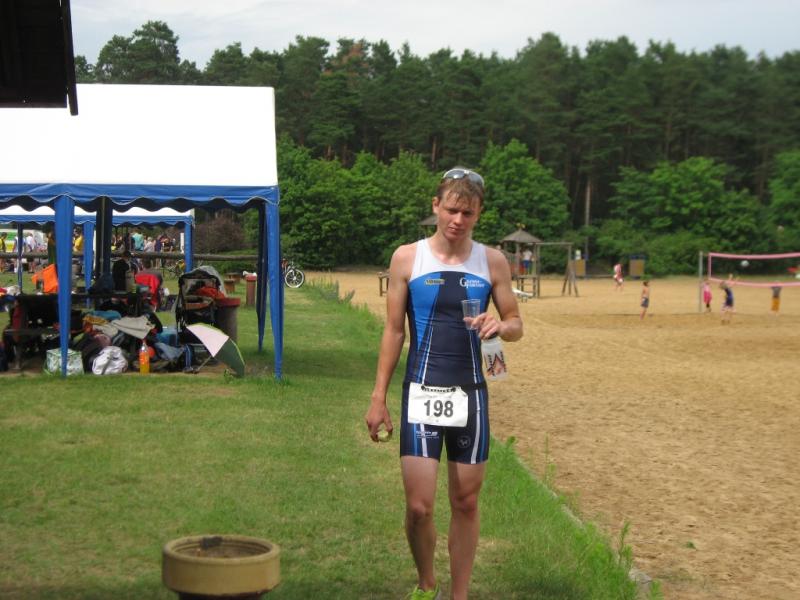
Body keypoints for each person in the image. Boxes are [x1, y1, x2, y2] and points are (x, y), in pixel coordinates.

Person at [365, 167, 523, 600]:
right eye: (452, 209)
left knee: (466, 502)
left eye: (467, 213)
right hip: (422, 390)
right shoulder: (407, 258)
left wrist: (501, 326)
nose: (458, 220)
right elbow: (393, 331)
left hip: (471, 395)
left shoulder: (492, 261)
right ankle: (426, 584)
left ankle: (459, 595)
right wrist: (378, 397)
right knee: (419, 507)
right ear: (436, 206)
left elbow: (516, 323)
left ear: (478, 214)